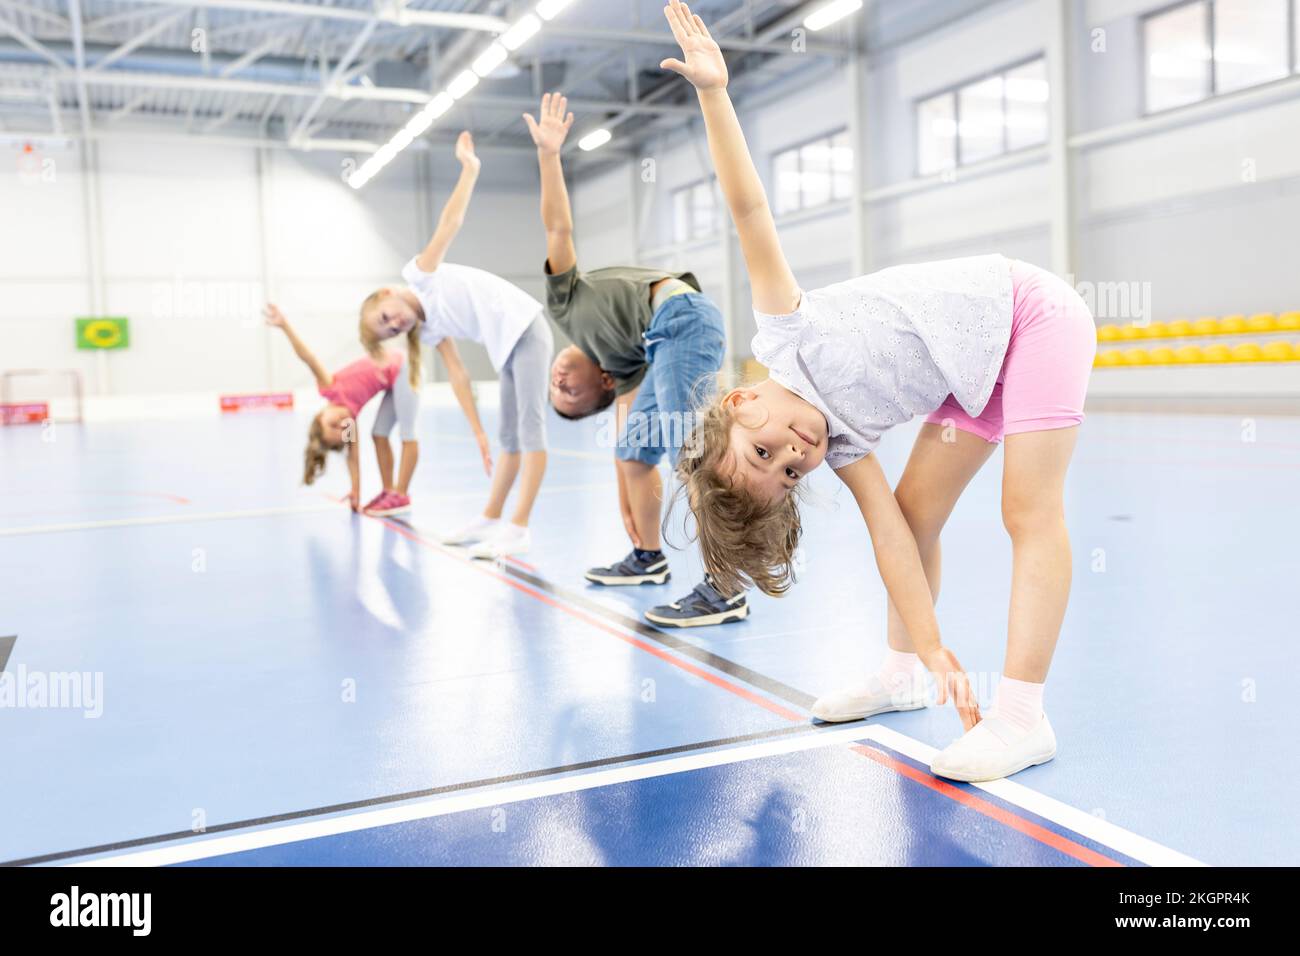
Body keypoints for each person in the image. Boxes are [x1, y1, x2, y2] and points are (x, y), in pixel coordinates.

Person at [661, 0, 1097, 781]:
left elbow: (748, 209)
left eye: (768, 449)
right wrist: (931, 647)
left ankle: (1024, 716)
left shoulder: (785, 331)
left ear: (739, 402)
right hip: (974, 379)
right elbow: (891, 538)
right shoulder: (843, 442)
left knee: (1027, 509)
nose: (797, 454)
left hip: (1033, 319)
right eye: (788, 473)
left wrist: (715, 94)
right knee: (917, 513)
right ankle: (900, 674)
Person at [524, 91, 747, 627]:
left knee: (690, 455)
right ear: (603, 383)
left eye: (557, 386)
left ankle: (726, 586)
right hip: (668, 337)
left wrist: (550, 156)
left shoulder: (565, 302)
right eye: (570, 395)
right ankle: (648, 559)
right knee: (633, 451)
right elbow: (627, 445)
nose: (558, 379)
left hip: (681, 320)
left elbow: (559, 229)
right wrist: (625, 495)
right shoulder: (624, 364)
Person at [358, 132, 553, 558]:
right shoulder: (426, 330)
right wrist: (478, 432)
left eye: (386, 317)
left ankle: (518, 528)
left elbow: (450, 223)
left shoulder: (420, 276)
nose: (395, 325)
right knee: (507, 436)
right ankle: (489, 518)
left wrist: (469, 169)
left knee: (530, 429)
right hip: (507, 347)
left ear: (388, 293)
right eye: (389, 331)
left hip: (526, 327)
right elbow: (459, 374)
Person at [265, 304, 413, 514]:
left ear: (320, 415)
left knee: (404, 433)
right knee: (379, 434)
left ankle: (399, 493)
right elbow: (353, 458)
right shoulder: (350, 421)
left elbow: (309, 358)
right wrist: (356, 491)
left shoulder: (330, 388)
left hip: (404, 366)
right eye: (341, 431)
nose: (342, 425)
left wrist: (284, 325)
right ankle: (389, 491)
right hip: (394, 378)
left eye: (333, 424)